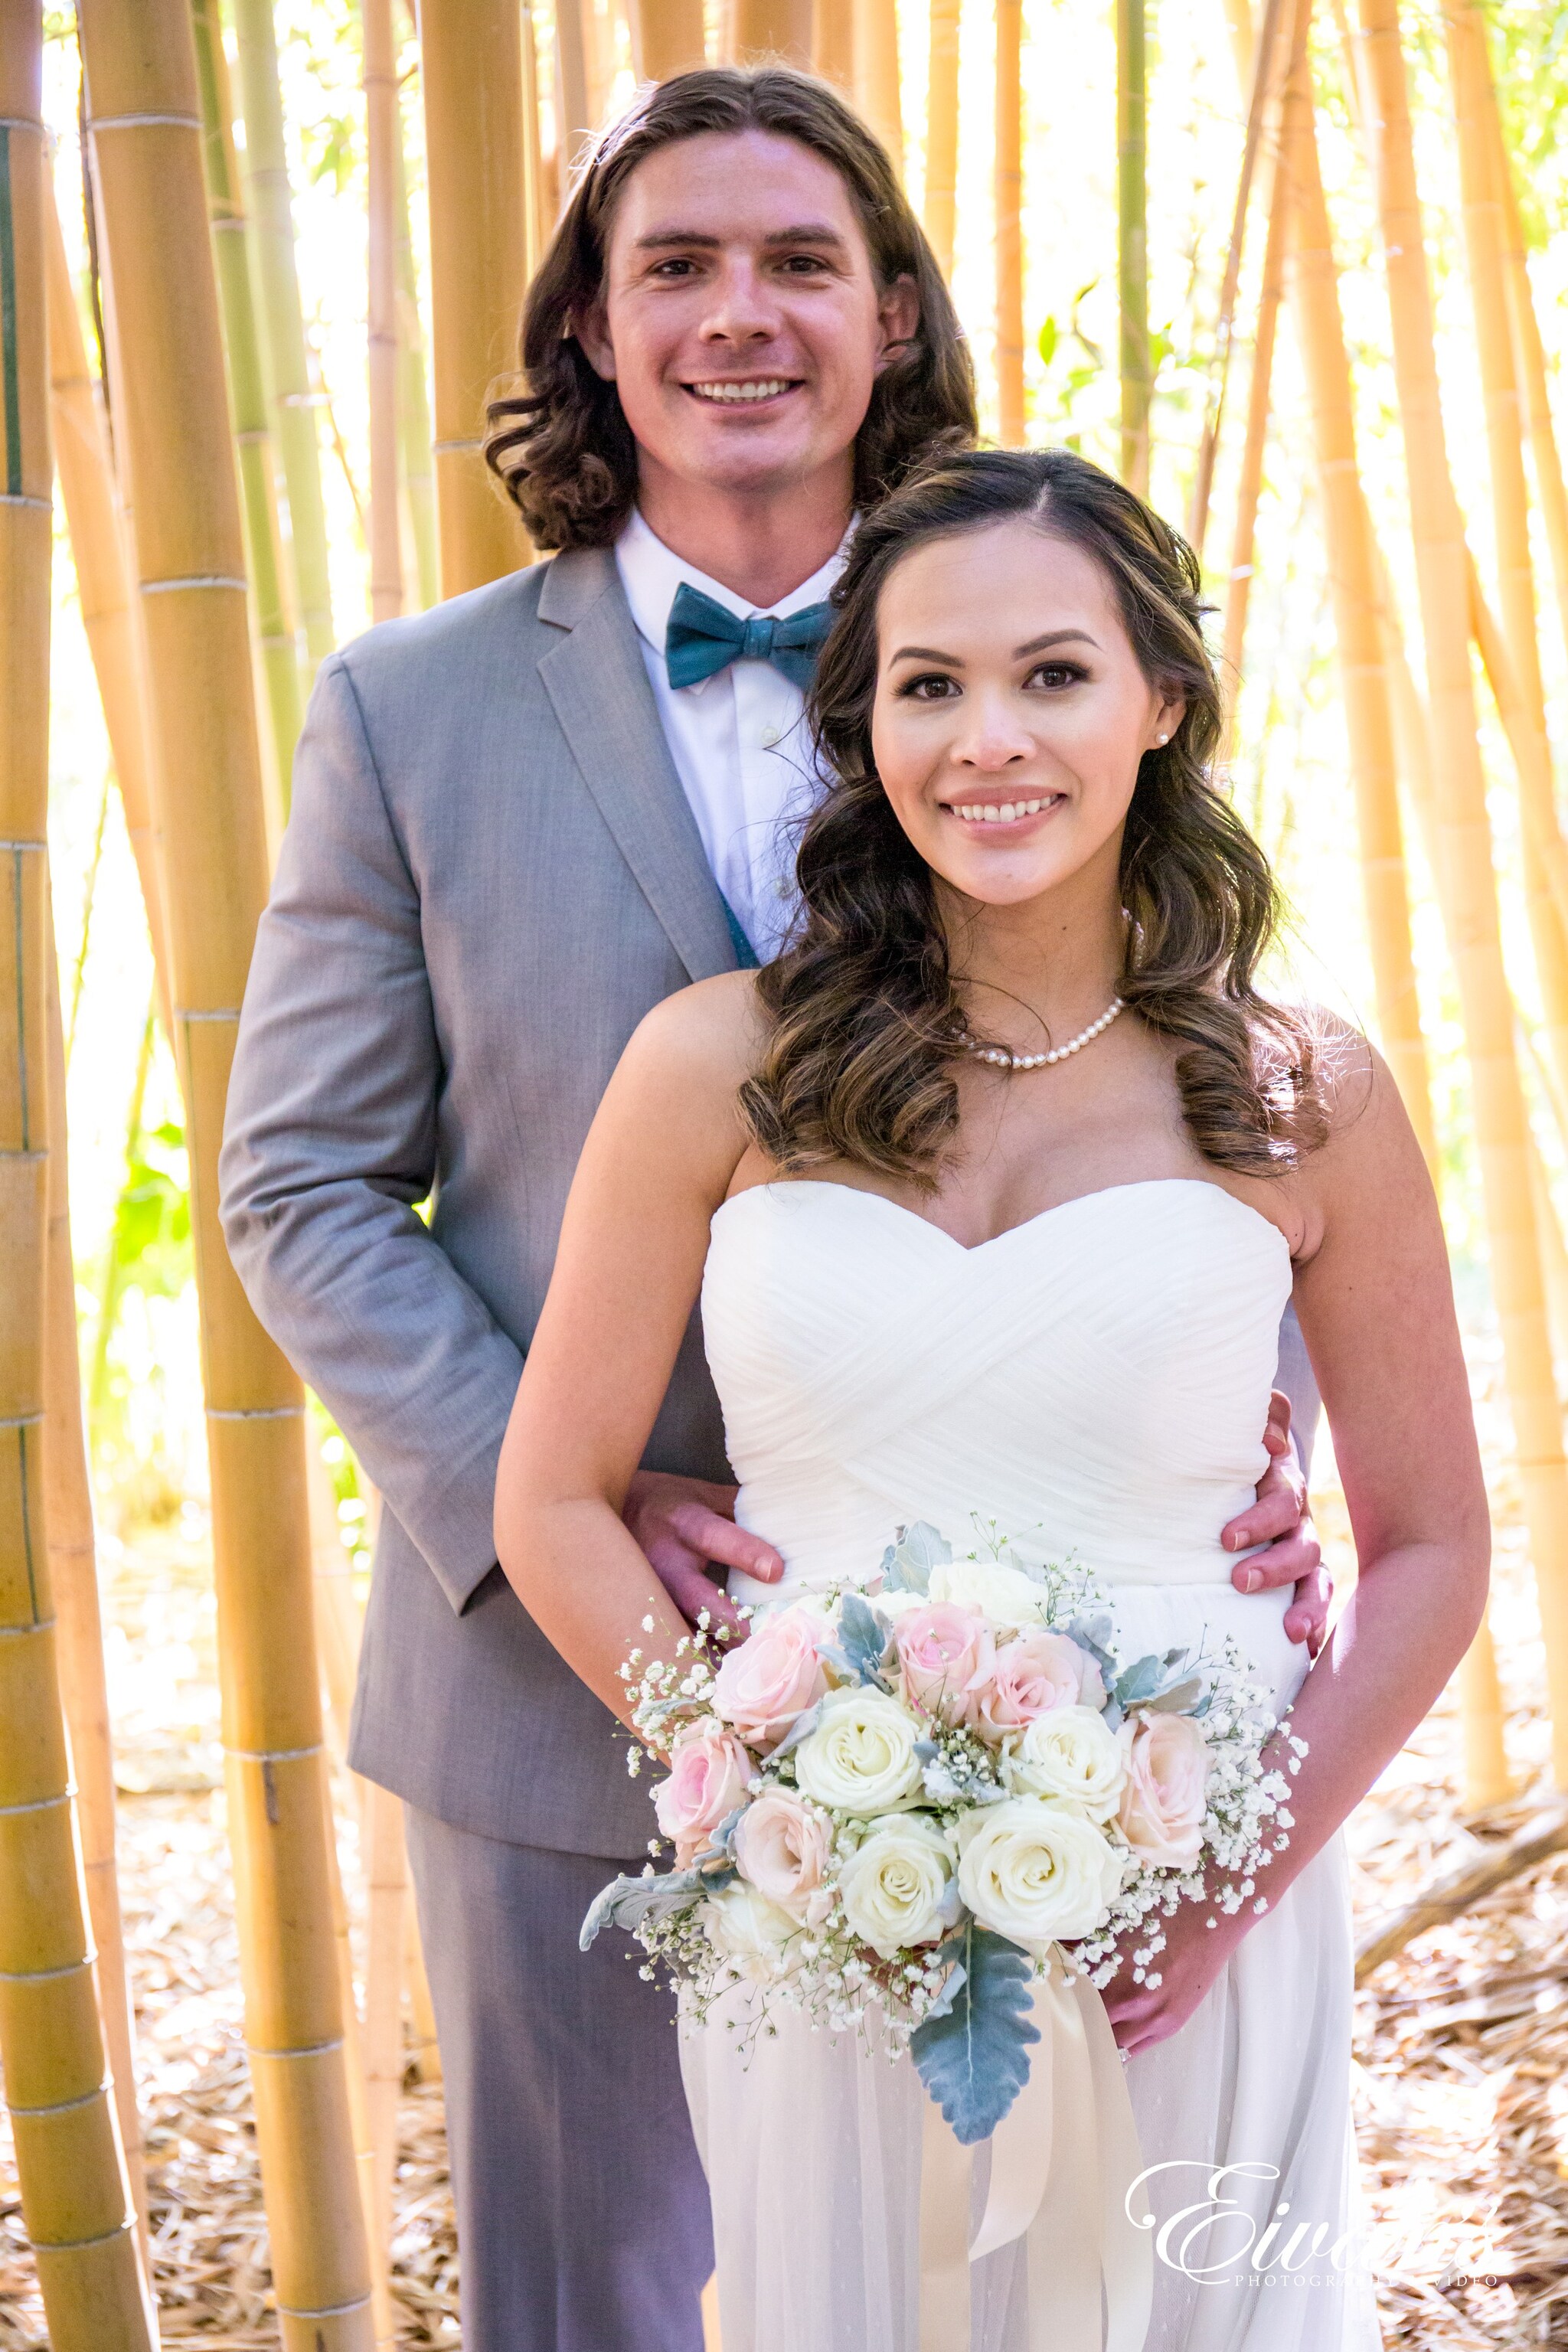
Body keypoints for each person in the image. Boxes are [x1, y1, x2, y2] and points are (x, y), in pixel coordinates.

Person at [220, 67, 1325, 2352]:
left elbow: (1194, 1094)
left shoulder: (1026, 645)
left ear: (895, 315)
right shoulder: (405, 706)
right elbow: (302, 1183)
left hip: (1051, 1695)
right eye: (677, 268)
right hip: (549, 1689)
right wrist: (567, 1483)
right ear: (596, 337)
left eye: (803, 259)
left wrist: (1238, 1438)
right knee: (593, 2313)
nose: (745, 315)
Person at [492, 446, 1489, 2352]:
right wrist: (762, 1805)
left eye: (1052, 673)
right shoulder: (715, 1066)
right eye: (927, 685)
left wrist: (1228, 1895)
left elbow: (1437, 1547)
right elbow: (552, 1497)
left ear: (1160, 700)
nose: (986, 741)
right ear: (862, 721)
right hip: (820, 1919)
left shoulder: (1305, 1093)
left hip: (1200, 1886)